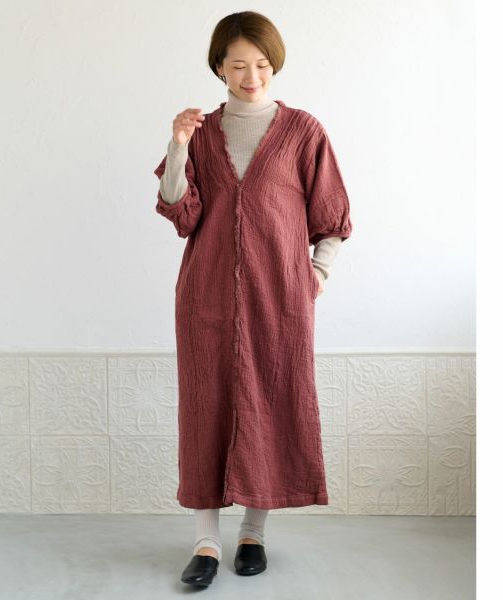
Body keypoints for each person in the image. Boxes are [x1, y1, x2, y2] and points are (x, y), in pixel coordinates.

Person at [153, 11, 352, 588]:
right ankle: (206, 543)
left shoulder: (303, 131)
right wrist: (177, 145)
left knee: (273, 402)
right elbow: (180, 213)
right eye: (238, 65)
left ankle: (253, 534)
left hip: (280, 298)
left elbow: (332, 214)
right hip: (205, 296)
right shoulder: (200, 133)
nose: (251, 76)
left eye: (262, 65)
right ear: (219, 67)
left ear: (274, 65)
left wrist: (318, 271)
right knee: (206, 408)